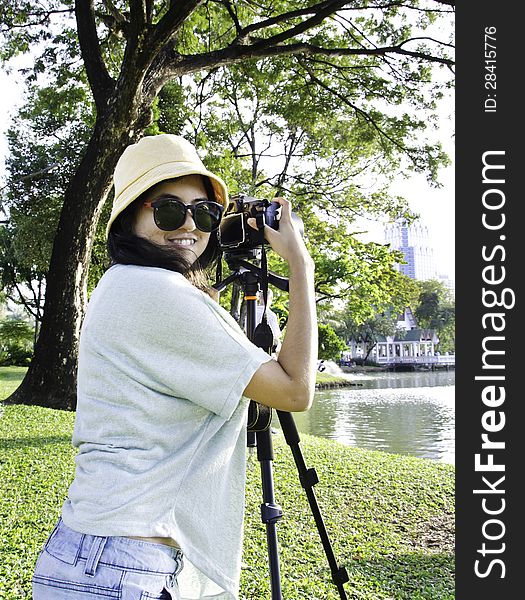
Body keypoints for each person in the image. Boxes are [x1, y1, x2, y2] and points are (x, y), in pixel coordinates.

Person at [32, 134, 317, 600]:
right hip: (130, 566)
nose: (190, 225)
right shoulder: (161, 294)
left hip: (84, 554)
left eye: (205, 213)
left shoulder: (118, 286)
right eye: (168, 209)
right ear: (132, 217)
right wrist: (300, 267)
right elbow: (294, 390)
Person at [255, 287, 282, 354]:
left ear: (259, 298)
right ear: (271, 298)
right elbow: (275, 338)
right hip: (267, 352)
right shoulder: (271, 315)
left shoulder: (251, 313)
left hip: (252, 350)